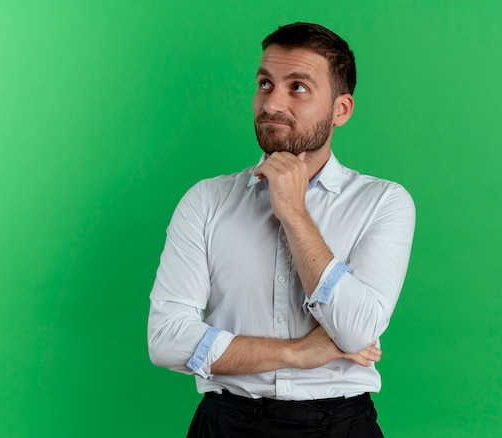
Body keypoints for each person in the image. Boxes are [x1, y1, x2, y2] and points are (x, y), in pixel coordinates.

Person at [148, 22, 415, 437]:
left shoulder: (383, 202)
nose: (272, 103)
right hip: (225, 424)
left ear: (340, 110)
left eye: (298, 88)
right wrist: (299, 353)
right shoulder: (206, 200)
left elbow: (356, 330)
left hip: (339, 426)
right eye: (265, 83)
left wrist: (293, 211)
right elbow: (166, 339)